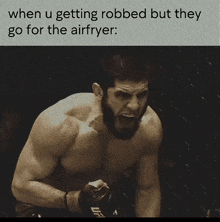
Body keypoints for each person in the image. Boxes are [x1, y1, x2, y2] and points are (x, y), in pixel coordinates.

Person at [11, 54, 163, 217]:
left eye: (141, 95)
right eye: (122, 95)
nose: (134, 105)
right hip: (45, 206)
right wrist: (73, 200)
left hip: (98, 209)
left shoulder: (148, 127)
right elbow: (21, 186)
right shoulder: (59, 123)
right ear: (99, 92)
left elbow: (147, 188)